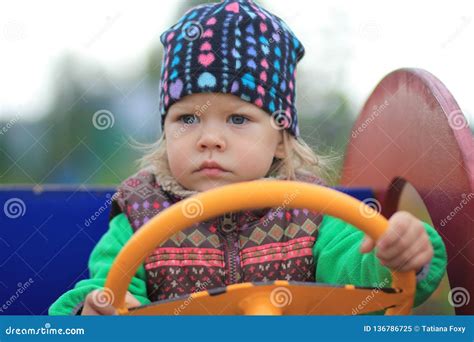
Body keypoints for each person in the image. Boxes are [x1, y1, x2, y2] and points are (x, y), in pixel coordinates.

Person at [49, 0, 446, 315]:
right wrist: (94, 311)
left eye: (238, 118)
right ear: (165, 129)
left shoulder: (309, 213)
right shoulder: (139, 216)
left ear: (279, 138)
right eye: (187, 118)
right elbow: (107, 288)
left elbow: (361, 275)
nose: (210, 139)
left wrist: (396, 253)